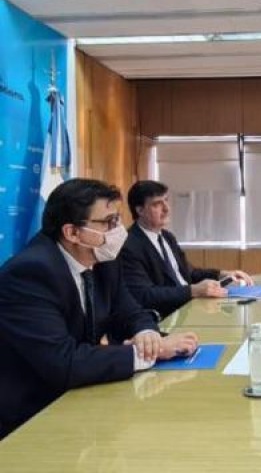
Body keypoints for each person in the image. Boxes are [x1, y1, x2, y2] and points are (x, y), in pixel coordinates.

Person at [0, 179, 199, 439]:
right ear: (72, 232)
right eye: (108, 222)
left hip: (78, 398)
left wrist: (147, 334)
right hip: (29, 417)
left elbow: (130, 311)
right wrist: (150, 353)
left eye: (117, 219)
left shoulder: (102, 258)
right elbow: (63, 362)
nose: (118, 231)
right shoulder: (30, 273)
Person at [120, 180, 254, 318]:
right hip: (164, 317)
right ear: (140, 210)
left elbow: (189, 273)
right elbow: (144, 294)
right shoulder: (129, 245)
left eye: (166, 200)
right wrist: (193, 290)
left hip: (189, 308)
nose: (166, 209)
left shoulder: (167, 237)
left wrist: (222, 274)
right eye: (157, 204)